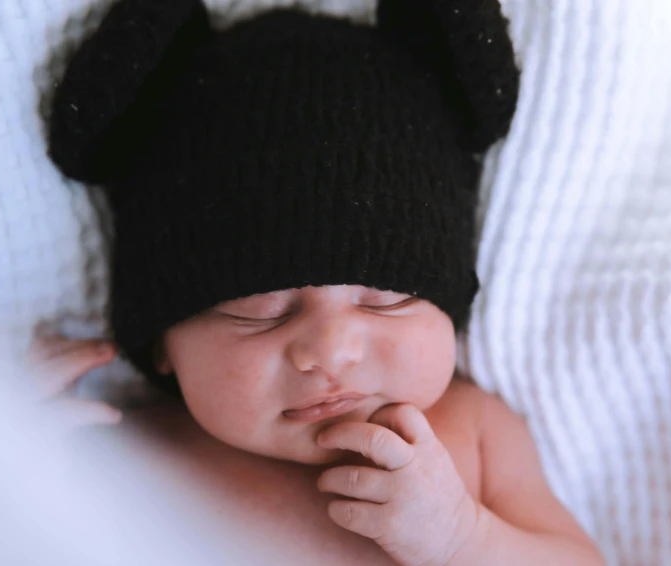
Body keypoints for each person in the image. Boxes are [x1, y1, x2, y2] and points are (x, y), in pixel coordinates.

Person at [41, 0, 604, 564]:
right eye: (261, 311)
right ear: (162, 341)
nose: (331, 350)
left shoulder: (474, 432)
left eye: (387, 300)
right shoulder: (129, 455)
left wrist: (463, 538)